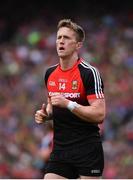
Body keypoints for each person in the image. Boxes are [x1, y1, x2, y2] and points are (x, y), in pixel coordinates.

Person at [35, 19, 106, 179]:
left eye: (66, 38)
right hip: (60, 150)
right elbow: (54, 107)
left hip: (87, 150)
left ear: (78, 45)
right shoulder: (50, 74)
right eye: (59, 37)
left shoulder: (89, 73)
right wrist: (47, 115)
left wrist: (68, 103)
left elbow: (100, 114)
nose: (61, 41)